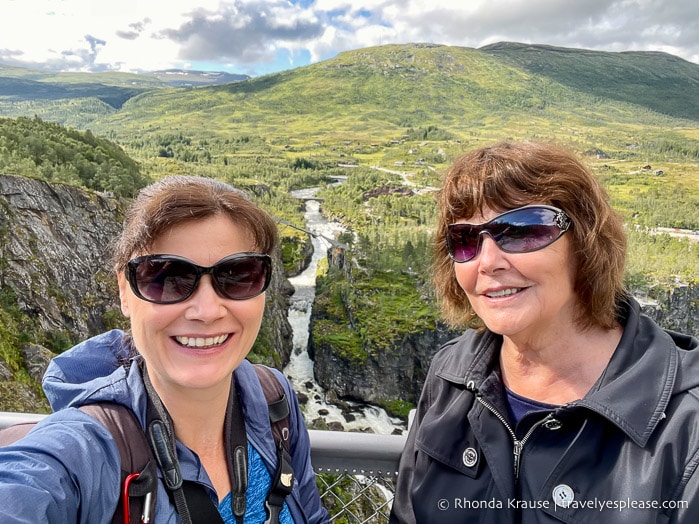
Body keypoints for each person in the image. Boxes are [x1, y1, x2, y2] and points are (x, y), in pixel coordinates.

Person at [389, 141, 699, 523]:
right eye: (465, 239)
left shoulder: (686, 424)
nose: (488, 263)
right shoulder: (450, 373)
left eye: (520, 230)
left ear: (585, 244)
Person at [0, 175, 329, 523]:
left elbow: (312, 515)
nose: (206, 312)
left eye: (237, 274)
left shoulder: (274, 399)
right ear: (124, 292)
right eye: (166, 278)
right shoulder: (84, 451)